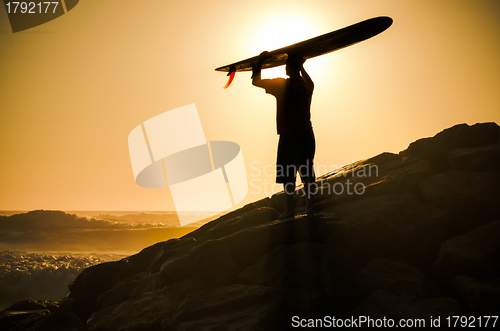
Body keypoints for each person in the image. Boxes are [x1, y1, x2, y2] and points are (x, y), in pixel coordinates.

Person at [252, 51, 316, 219]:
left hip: (288, 136)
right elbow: (309, 81)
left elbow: (256, 81)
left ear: (288, 68)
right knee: (307, 171)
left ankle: (290, 210)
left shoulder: (281, 85)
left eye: (287, 65)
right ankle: (310, 206)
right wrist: (301, 67)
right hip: (306, 134)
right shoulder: (307, 84)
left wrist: (260, 62)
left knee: (288, 174)